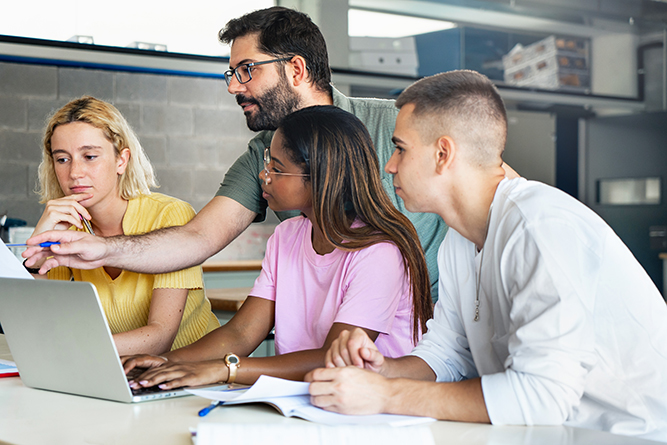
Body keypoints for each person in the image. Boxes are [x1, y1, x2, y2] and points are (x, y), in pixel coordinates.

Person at [305, 70, 667, 442]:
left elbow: (542, 398)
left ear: (443, 154)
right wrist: (382, 371)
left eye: (400, 148)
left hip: (633, 434)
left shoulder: (540, 227)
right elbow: (447, 354)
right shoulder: (460, 240)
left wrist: (386, 396)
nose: (390, 165)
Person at [23, 6, 449, 302]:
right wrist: (102, 249)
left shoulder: (394, 123)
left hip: (433, 329)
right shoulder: (262, 155)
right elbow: (197, 238)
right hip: (338, 339)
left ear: (296, 70)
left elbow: (490, 179)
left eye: (247, 70)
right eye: (231, 73)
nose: (233, 86)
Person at [121, 105, 433, 389]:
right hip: (307, 398)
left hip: (375, 408)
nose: (263, 175)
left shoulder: (379, 252)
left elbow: (335, 358)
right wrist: (169, 362)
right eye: (268, 162)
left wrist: (225, 370)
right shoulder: (287, 236)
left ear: (321, 177)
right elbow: (240, 333)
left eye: (277, 168)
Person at [31, 96, 219, 356]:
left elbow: (160, 337)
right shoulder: (68, 228)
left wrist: (76, 347)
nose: (75, 173)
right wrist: (38, 249)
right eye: (62, 159)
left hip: (192, 374)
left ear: (121, 160)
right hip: (117, 370)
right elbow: (40, 324)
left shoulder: (169, 215)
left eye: (89, 156)